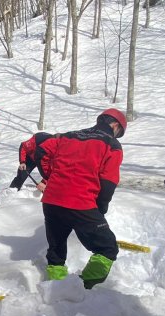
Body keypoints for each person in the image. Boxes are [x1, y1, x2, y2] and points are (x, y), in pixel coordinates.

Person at [36, 108, 125, 289]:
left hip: (52, 201)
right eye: (119, 132)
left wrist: (51, 177)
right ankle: (85, 288)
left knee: (56, 251)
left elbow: (41, 151)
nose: (117, 136)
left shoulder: (68, 135)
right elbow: (108, 182)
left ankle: (56, 288)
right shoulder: (112, 144)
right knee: (107, 249)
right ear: (115, 125)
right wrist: (100, 209)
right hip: (81, 203)